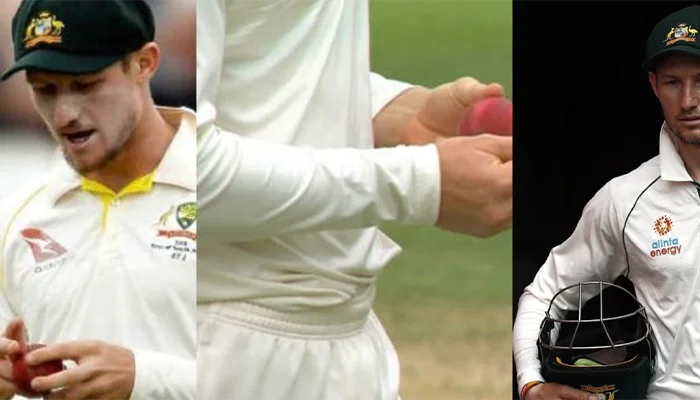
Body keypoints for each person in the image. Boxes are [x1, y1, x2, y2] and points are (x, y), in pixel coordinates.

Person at [196, 1, 512, 399]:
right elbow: (187, 168)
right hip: (225, 349)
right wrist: (418, 182)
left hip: (343, 338)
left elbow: (265, 52)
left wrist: (397, 113)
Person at [0, 0, 195, 398]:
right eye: (45, 90)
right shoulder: (18, 214)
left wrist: (146, 380)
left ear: (144, 63)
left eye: (86, 85)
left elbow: (297, 375)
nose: (63, 114)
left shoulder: (230, 190)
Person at [513, 5, 700, 400]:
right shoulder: (625, 198)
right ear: (653, 85)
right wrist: (531, 383)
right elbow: (544, 292)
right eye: (672, 83)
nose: (688, 101)